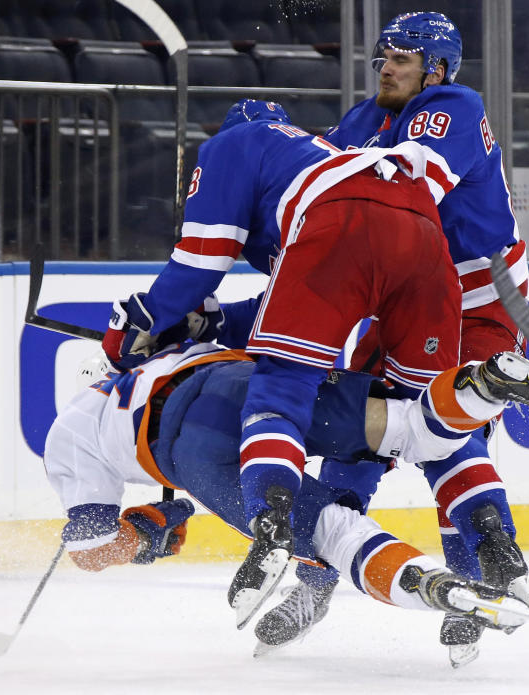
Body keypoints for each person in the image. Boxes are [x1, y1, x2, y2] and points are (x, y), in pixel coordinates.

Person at [102, 98, 473, 629]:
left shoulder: (233, 143)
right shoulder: (317, 156)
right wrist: (201, 322)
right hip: (421, 234)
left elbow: (201, 261)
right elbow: (289, 306)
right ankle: (488, 556)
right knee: (412, 419)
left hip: (342, 232)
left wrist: (140, 322)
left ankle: (272, 524)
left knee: (279, 393)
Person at [46, 339, 529, 654]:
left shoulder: (69, 430)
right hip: (249, 381)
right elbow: (244, 318)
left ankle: (433, 586)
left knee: (332, 528)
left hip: (192, 446)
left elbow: (90, 548)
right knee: (404, 425)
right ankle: (486, 384)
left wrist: (149, 526)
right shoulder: (161, 355)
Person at [284, 11, 529, 667]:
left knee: (449, 431)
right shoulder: (374, 114)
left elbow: (411, 187)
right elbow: (311, 175)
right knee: (352, 430)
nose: (386, 67)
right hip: (409, 293)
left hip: (478, 300)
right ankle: (315, 580)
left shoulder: (453, 106)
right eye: (383, 57)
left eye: (401, 58)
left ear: (438, 69)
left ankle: (479, 580)